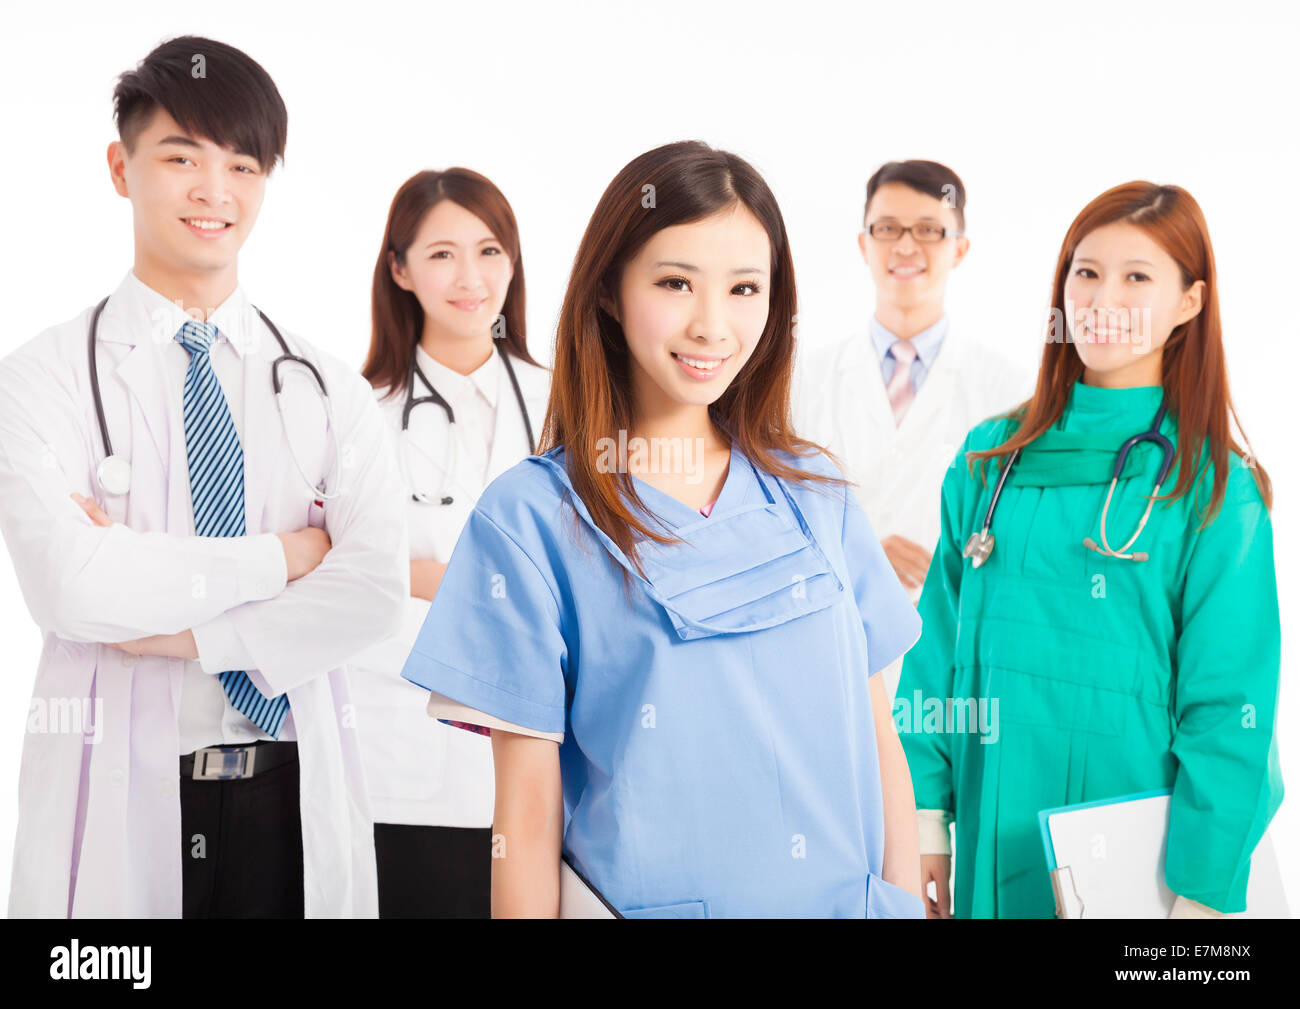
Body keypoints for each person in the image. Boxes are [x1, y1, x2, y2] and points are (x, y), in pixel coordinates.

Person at [400, 140, 927, 919]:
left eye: (745, 287)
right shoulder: (530, 520)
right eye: (677, 282)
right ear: (610, 290)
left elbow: (882, 740)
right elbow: (525, 818)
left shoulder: (817, 495)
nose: (713, 324)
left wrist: (906, 903)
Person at [0, 36, 407, 917]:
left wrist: (188, 631)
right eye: (180, 157)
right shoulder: (43, 376)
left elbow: (373, 588)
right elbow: (72, 587)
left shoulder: (329, 385)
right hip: (123, 793)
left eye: (242, 164)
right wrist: (287, 555)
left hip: (288, 797)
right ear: (122, 166)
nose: (213, 191)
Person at [897, 181, 1282, 919]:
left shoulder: (1212, 490)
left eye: (1138, 277)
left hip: (1136, 865)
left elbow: (1229, 706)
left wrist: (1200, 892)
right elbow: (933, 652)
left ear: (1189, 303)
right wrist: (924, 821)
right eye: (1086, 271)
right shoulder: (991, 461)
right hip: (989, 827)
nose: (1103, 298)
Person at [352, 168, 550, 917]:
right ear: (399, 269)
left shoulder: (568, 402)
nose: (471, 277)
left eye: (490, 250)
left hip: (548, 762)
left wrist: (428, 576)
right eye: (441, 254)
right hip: (409, 767)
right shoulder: (360, 417)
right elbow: (349, 589)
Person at [795, 161, 1029, 700]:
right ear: (863, 244)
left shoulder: (1009, 388)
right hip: (829, 653)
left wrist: (955, 566)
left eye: (929, 229)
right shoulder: (803, 381)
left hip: (958, 657)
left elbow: (1021, 539)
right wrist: (856, 557)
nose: (906, 246)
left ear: (960, 248)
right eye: (888, 228)